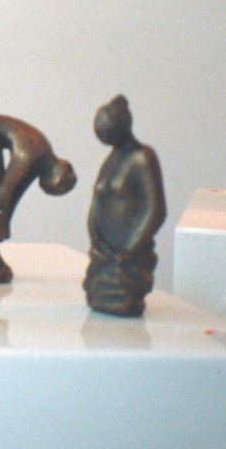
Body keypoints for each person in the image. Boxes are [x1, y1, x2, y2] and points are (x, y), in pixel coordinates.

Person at [0, 114, 76, 283]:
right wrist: (0, 225)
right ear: (63, 169)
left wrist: (0, 224)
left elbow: (12, 194)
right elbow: (8, 189)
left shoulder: (41, 158)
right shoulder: (35, 154)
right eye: (58, 187)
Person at [84, 95, 166, 317]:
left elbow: (156, 210)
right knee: (99, 289)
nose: (104, 138)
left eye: (107, 132)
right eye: (100, 134)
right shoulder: (111, 159)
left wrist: (129, 248)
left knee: (120, 291)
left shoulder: (143, 158)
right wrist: (95, 237)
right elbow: (97, 200)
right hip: (103, 250)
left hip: (128, 252)